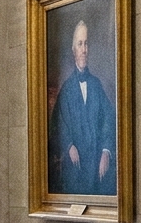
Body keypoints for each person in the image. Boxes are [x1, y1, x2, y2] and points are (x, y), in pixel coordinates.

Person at [48, 19, 116, 195]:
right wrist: (69, 144)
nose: (84, 49)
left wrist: (106, 152)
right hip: (75, 171)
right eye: (80, 44)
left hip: (96, 167)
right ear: (74, 50)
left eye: (86, 44)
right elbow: (57, 125)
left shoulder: (96, 85)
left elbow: (109, 121)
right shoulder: (66, 89)